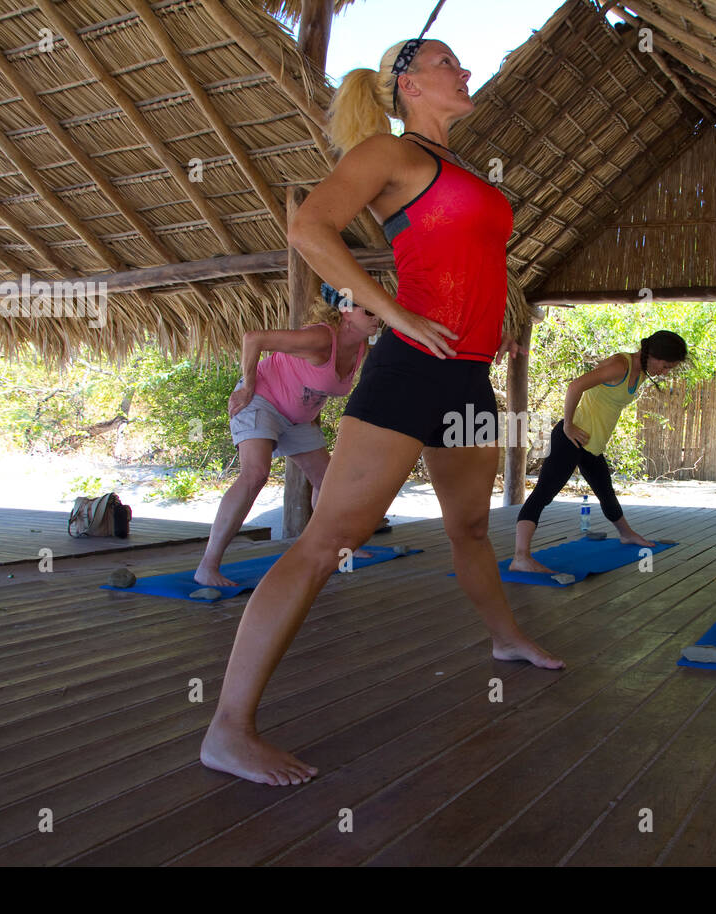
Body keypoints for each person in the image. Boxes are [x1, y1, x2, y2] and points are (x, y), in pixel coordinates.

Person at [200, 35, 563, 787]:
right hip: (409, 370)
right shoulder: (389, 154)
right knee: (329, 539)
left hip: (466, 375)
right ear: (407, 85)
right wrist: (391, 313)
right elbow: (309, 229)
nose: (464, 70)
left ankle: (504, 638)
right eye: (445, 63)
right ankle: (227, 729)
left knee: (470, 527)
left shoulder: (461, 169)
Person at [194, 284, 379, 587]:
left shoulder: (360, 346)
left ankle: (337, 547)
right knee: (255, 474)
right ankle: (208, 566)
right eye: (369, 310)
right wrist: (247, 386)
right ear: (346, 312)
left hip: (298, 418)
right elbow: (253, 338)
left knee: (329, 482)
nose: (377, 316)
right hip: (261, 401)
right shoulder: (320, 338)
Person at [511, 331, 687, 573]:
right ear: (653, 355)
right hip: (571, 439)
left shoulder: (641, 372)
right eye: (665, 366)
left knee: (606, 491)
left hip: (591, 445)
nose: (665, 372)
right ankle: (520, 557)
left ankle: (626, 534)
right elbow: (575, 386)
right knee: (544, 494)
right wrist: (568, 425)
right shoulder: (620, 366)